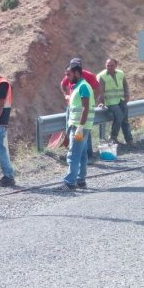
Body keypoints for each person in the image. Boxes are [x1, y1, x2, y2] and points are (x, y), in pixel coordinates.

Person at [55, 61, 95, 191]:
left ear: (77, 73)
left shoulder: (83, 86)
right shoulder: (77, 86)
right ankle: (80, 180)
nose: (67, 78)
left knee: (73, 155)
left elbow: (85, 107)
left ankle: (69, 182)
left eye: (69, 74)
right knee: (82, 155)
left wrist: (80, 127)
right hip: (79, 125)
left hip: (80, 126)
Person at [60, 58, 99, 158]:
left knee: (84, 131)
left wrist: (91, 100)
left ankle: (83, 155)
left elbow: (97, 88)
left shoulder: (87, 77)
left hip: (83, 109)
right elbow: (62, 84)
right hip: (72, 107)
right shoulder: (70, 75)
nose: (67, 76)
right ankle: (76, 154)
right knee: (71, 129)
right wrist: (66, 95)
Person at [96, 58, 133, 145]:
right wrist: (100, 102)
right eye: (108, 65)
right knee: (120, 116)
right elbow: (99, 90)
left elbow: (125, 85)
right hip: (110, 101)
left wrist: (127, 95)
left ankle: (129, 140)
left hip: (121, 100)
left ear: (116, 65)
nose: (109, 67)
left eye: (111, 65)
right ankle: (113, 137)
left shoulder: (120, 73)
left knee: (125, 120)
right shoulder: (101, 76)